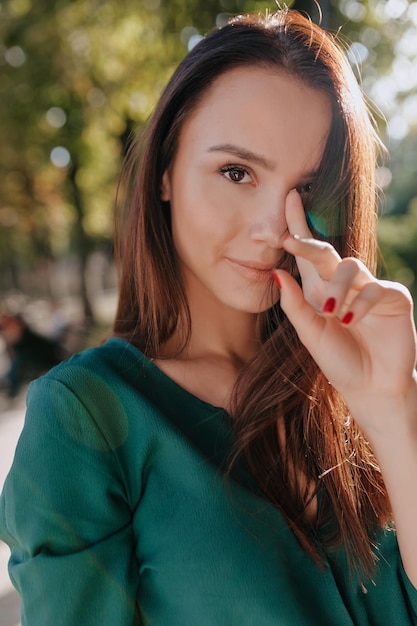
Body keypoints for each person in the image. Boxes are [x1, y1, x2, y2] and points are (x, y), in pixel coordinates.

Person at [1, 8, 417, 625]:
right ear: (165, 171)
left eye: (305, 190)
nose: (274, 226)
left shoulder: (355, 385)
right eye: (236, 172)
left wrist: (390, 408)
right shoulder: (85, 417)